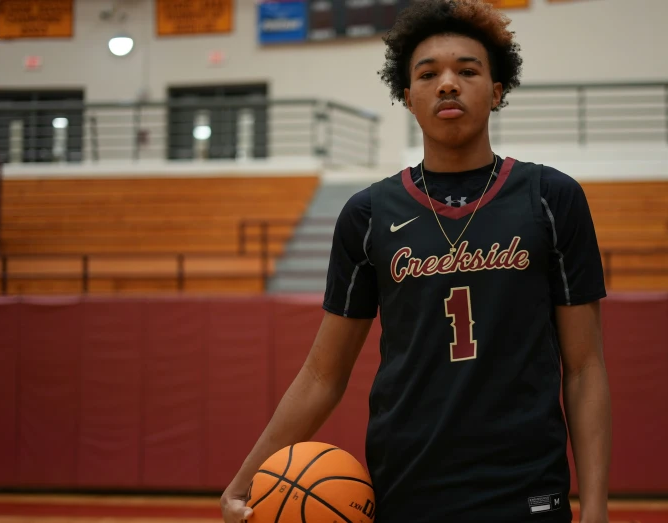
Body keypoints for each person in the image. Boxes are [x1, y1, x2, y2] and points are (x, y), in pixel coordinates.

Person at [221, 0, 611, 521]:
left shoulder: (551, 198)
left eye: (467, 71)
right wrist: (245, 482)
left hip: (527, 487)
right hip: (406, 487)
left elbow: (584, 368)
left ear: (497, 91)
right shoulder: (367, 215)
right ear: (407, 96)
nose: (448, 84)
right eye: (428, 74)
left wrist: (597, 507)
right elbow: (322, 375)